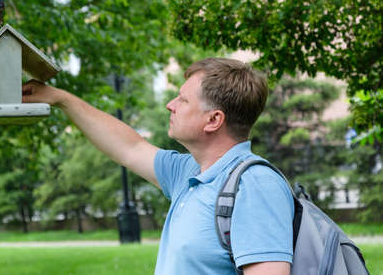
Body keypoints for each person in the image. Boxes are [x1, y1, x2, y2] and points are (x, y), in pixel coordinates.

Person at [22, 58, 294, 275]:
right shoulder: (189, 173)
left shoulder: (254, 186)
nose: (170, 105)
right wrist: (61, 99)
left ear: (213, 120)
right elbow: (130, 148)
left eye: (183, 100)